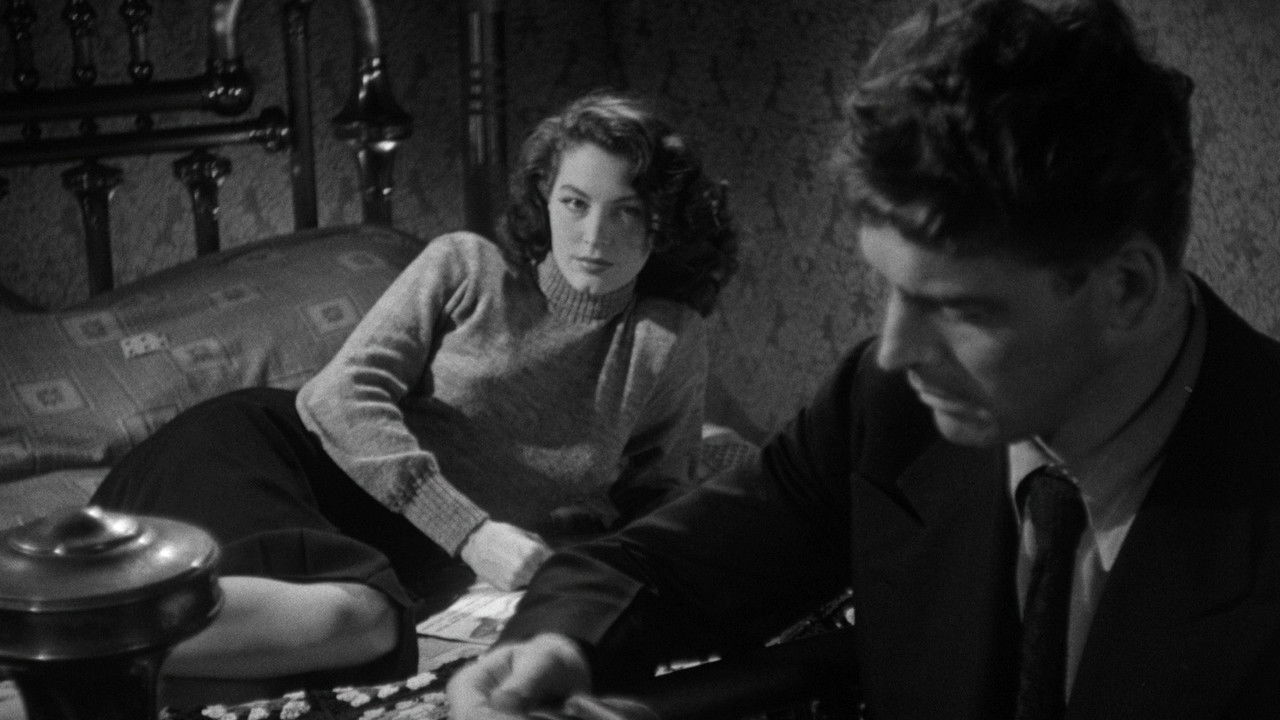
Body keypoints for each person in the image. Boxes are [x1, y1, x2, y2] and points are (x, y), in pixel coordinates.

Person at [446, 1, 1280, 719]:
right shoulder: (889, 403)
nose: (897, 349)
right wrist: (557, 647)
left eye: (959, 307)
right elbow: (652, 565)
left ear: (1126, 288)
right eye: (889, 286)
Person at [89, 90, 737, 701]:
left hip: (401, 561)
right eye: (574, 203)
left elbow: (657, 500)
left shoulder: (666, 338)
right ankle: (58, 635)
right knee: (352, 618)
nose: (594, 237)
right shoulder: (467, 267)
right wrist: (472, 534)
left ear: (662, 221)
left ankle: (75, 643)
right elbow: (338, 397)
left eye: (626, 211)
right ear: (544, 197)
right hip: (279, 457)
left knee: (358, 630)